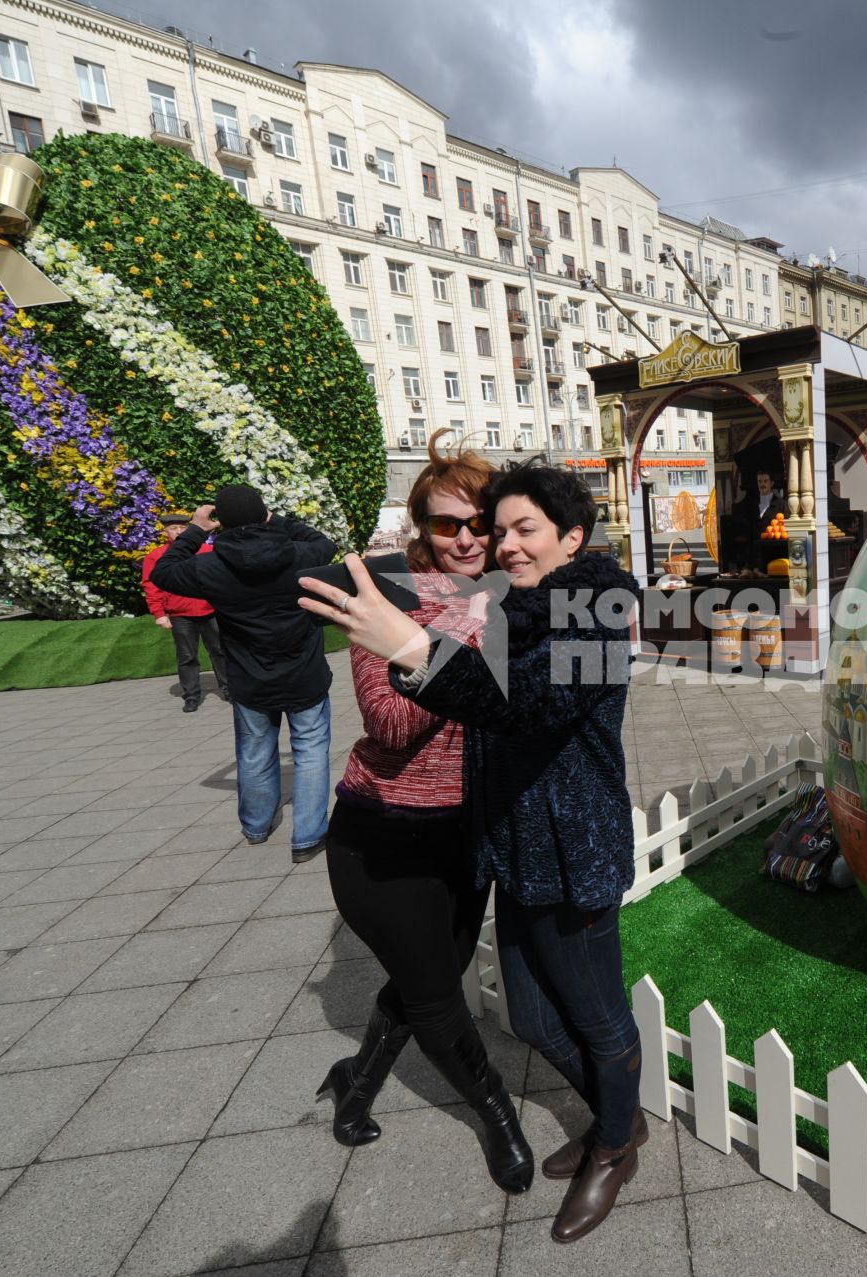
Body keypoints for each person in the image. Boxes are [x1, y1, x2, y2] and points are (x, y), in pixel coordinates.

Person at [301, 458, 645, 1245]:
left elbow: (528, 702)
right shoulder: (516, 604)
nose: (505, 545)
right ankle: (618, 1120)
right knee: (530, 1015)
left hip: (571, 848)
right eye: (501, 530)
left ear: (572, 537)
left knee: (597, 1018)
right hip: (513, 848)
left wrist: (418, 647)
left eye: (525, 530)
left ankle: (617, 1142)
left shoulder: (595, 605)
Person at [313, 446, 534, 1196]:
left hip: (462, 836)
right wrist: (468, 630)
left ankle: (357, 1078)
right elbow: (392, 721)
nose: (468, 539)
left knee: (421, 980)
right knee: (437, 995)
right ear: (423, 527)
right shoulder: (388, 600)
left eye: (481, 521)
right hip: (384, 837)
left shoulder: (512, 596)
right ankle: (497, 1115)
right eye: (449, 524)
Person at [150, 484, 338, 860]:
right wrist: (275, 519)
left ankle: (256, 824)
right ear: (263, 513)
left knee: (254, 751)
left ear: (222, 521)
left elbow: (164, 572)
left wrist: (197, 529)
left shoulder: (211, 564)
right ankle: (308, 834)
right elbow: (325, 543)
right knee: (311, 751)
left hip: (250, 676)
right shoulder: (299, 554)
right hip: (303, 673)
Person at [142, 516, 231, 712]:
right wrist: (159, 613)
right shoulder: (158, 556)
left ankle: (229, 689)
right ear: (165, 532)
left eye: (183, 527)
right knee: (187, 655)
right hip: (180, 613)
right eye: (173, 528)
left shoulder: (206, 551)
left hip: (210, 610)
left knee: (220, 651)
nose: (179, 532)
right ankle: (191, 695)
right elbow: (151, 586)